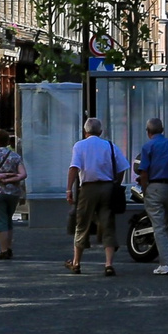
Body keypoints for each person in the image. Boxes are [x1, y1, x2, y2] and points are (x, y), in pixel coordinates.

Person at [67, 117, 128, 276]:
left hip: (88, 188)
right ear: (100, 131)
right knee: (108, 224)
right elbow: (122, 167)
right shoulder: (109, 145)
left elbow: (74, 168)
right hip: (107, 187)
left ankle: (77, 262)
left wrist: (68, 190)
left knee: (82, 223)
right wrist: (116, 182)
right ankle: (108, 264)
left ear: (85, 131)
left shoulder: (79, 146)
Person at [134, 117, 168, 276]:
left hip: (155, 187)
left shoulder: (148, 146)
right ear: (162, 130)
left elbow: (143, 172)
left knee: (159, 227)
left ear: (148, 132)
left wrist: (145, 189)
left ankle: (165, 263)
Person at [0, 129, 27, 258]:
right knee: (8, 219)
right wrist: (10, 178)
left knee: (0, 220)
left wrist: (1, 177)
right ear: (8, 141)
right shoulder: (14, 156)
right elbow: (23, 174)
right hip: (13, 191)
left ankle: (4, 250)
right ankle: (9, 247)